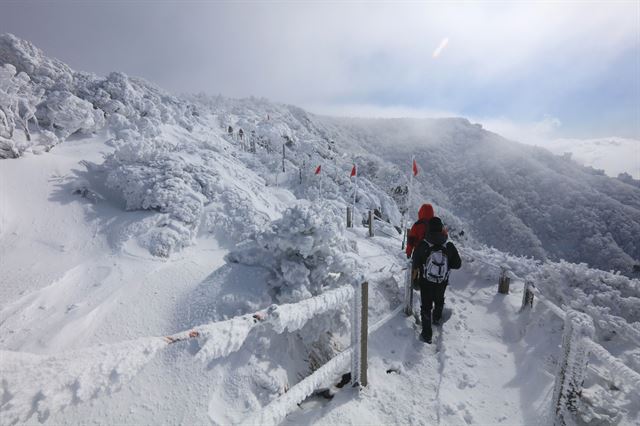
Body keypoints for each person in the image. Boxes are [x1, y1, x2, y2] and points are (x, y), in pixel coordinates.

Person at [411, 216, 461, 343]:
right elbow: (457, 264)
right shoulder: (448, 245)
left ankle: (427, 334)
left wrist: (415, 279)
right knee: (439, 300)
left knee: (426, 306)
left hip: (426, 281)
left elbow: (415, 262)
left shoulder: (423, 244)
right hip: (442, 282)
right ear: (441, 229)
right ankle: (437, 318)